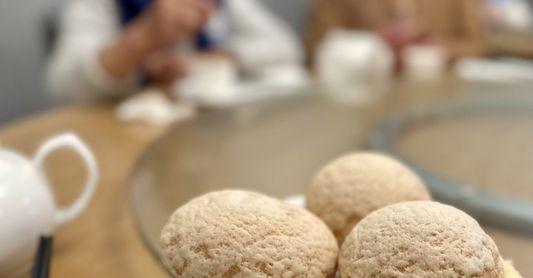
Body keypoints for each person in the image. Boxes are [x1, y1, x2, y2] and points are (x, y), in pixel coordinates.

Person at [47, 0, 303, 102]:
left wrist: (209, 60)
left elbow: (286, 47)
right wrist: (139, 40)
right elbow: (63, 88)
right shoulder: (99, 6)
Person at [307, 0, 487, 64]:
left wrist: (441, 49)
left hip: (443, 95)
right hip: (365, 97)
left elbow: (477, 44)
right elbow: (316, 48)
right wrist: (373, 45)